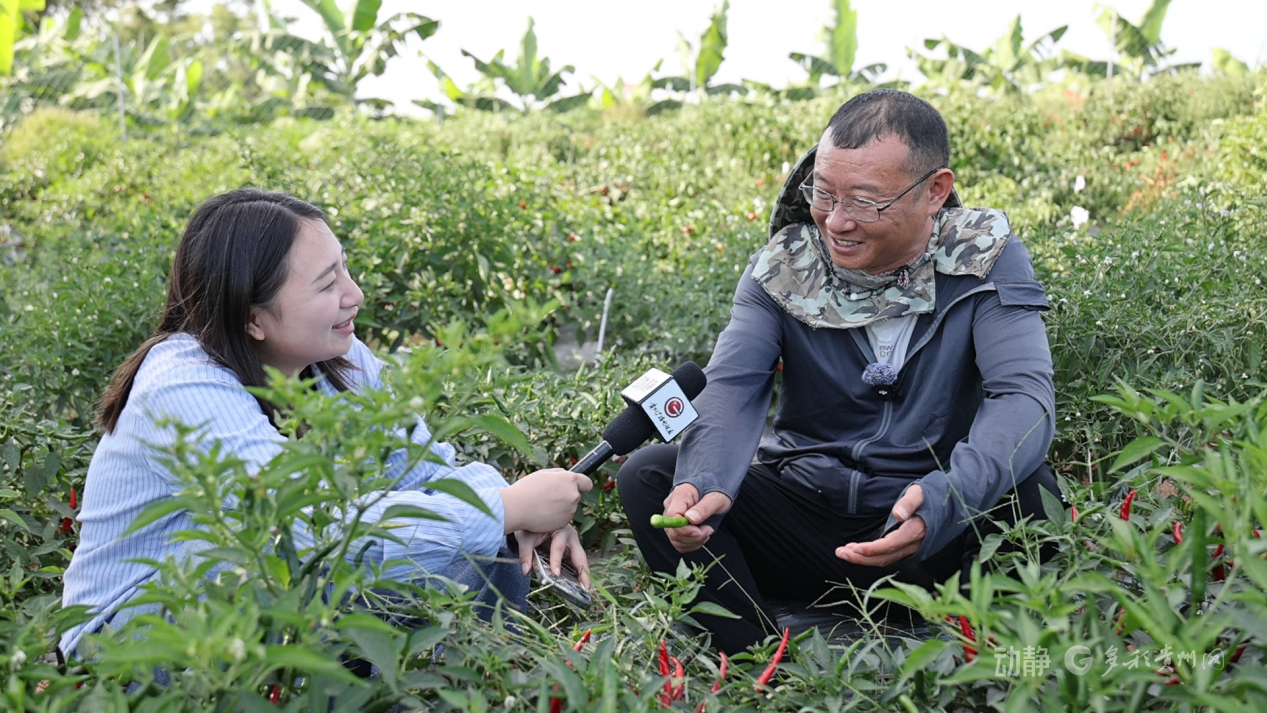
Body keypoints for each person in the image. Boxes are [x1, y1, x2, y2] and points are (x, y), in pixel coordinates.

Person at [618, 89, 1062, 653]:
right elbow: (732, 385)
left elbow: (1022, 398)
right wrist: (702, 484)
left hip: (929, 530)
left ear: (935, 191)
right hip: (807, 523)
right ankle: (759, 664)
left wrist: (947, 499)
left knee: (1031, 490)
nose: (838, 221)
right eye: (824, 194)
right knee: (651, 476)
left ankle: (987, 653)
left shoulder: (982, 258)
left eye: (866, 202)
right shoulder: (784, 267)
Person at [60, 188, 593, 656]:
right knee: (436, 553)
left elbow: (426, 472)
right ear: (252, 317)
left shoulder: (336, 357)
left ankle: (477, 680)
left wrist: (522, 508)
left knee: (482, 549)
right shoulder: (182, 384)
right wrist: (505, 507)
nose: (354, 294)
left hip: (260, 598)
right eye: (325, 284)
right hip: (133, 637)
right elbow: (308, 538)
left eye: (344, 268)